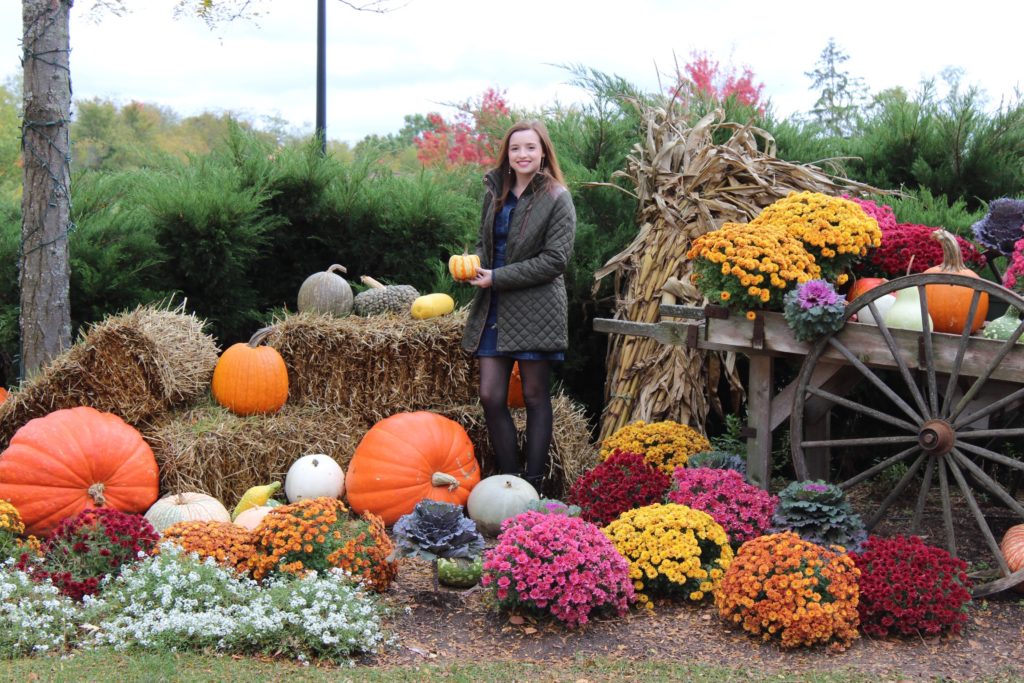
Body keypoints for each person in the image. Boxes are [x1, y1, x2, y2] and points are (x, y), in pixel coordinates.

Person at [461, 120, 576, 491]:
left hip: (537, 308)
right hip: (494, 307)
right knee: (491, 395)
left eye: (530, 147)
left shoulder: (557, 197)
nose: (522, 155)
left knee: (534, 396)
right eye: (515, 148)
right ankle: (511, 481)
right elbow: (486, 244)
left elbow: (555, 260)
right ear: (507, 155)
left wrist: (498, 276)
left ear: (543, 152)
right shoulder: (495, 191)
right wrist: (475, 266)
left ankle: (534, 483)